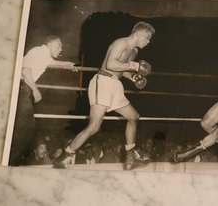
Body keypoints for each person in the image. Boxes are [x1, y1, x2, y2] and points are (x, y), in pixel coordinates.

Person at [54, 21, 155, 170]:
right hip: (103, 81)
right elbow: (111, 65)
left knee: (133, 117)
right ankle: (63, 157)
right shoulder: (121, 43)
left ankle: (130, 157)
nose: (148, 41)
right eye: (147, 37)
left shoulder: (134, 52)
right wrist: (136, 66)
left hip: (115, 85)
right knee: (94, 126)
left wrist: (133, 77)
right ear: (139, 33)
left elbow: (121, 69)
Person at [9, 35, 75, 166]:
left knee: (27, 126)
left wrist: (68, 64)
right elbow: (25, 71)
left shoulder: (44, 55)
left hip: (24, 89)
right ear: (50, 44)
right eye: (59, 46)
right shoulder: (38, 51)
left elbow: (55, 63)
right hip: (22, 87)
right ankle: (10, 160)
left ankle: (12, 159)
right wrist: (35, 90)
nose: (61, 49)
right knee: (24, 125)